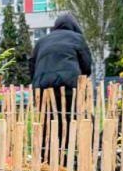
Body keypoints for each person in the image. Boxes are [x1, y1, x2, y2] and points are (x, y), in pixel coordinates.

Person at [30, 12, 92, 163]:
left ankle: (47, 158)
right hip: (69, 86)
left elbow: (31, 65)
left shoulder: (42, 41)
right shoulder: (77, 38)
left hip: (42, 88)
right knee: (72, 118)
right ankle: (71, 156)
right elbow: (87, 66)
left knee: (48, 120)